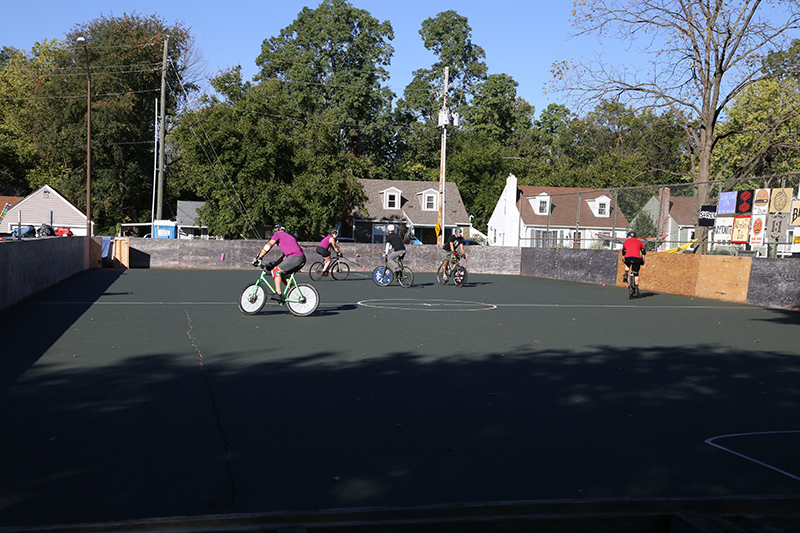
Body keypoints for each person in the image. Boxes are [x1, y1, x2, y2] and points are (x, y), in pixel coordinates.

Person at [253, 223, 306, 301]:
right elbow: (283, 258)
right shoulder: (288, 237)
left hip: (295, 257)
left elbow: (269, 245)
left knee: (276, 271)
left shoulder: (278, 234)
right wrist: (274, 264)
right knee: (284, 275)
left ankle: (278, 294)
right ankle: (293, 294)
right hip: (300, 258)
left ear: (277, 229)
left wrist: (259, 257)